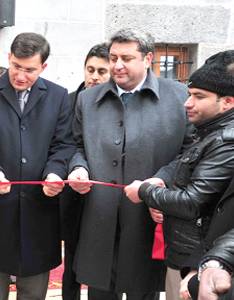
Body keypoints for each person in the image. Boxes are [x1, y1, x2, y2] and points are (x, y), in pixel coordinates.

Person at [68, 28, 192, 300]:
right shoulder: (88, 99)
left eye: (126, 57)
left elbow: (189, 151)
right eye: (113, 58)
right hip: (99, 217)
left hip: (148, 215)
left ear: (148, 59)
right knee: (100, 291)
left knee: (144, 289)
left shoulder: (180, 96)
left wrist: (162, 179)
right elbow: (77, 146)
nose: (117, 65)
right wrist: (79, 168)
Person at [0, 32, 75, 300]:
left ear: (43, 67)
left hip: (39, 205)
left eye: (30, 70)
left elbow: (63, 145)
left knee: (34, 290)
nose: (21, 76)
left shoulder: (58, 97)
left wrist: (55, 172)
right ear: (9, 58)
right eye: (16, 66)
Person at [122, 50, 234, 300]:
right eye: (189, 95)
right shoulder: (209, 131)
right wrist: (160, 183)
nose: (187, 103)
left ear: (228, 102)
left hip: (199, 257)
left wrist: (146, 192)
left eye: (199, 97)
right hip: (189, 252)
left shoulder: (226, 142)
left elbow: (192, 202)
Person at [61, 42, 110, 300]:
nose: (94, 76)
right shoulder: (68, 101)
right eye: (90, 69)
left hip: (105, 193)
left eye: (102, 71)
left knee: (100, 259)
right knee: (71, 256)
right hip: (72, 192)